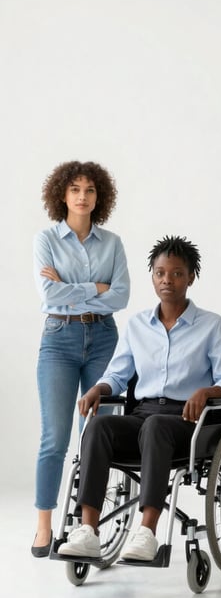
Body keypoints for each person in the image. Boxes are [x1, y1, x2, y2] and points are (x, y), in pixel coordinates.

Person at [58, 236, 221, 561]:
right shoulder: (137, 325)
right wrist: (98, 390)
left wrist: (206, 391)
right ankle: (88, 531)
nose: (167, 280)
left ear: (191, 278)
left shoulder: (212, 326)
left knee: (156, 425)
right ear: (153, 276)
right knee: (99, 427)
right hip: (142, 415)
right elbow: (116, 376)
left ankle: (146, 532)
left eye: (176, 273)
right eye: (160, 273)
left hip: (189, 422)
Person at [32, 161, 130, 558]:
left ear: (99, 197)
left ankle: (86, 522)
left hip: (105, 337)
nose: (82, 196)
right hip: (59, 338)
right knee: (54, 438)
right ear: (62, 194)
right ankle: (44, 526)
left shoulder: (113, 243)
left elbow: (120, 297)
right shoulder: (46, 239)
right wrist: (95, 287)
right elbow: (47, 297)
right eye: (75, 189)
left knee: (94, 435)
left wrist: (71, 288)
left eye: (90, 190)